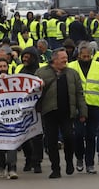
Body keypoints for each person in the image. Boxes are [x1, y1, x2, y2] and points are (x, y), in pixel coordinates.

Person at [35, 47, 88, 179]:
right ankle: (55, 169)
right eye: (63, 58)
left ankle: (69, 162)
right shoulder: (41, 73)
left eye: (66, 58)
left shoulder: (72, 74)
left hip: (67, 113)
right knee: (51, 142)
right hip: (49, 112)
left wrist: (83, 112)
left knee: (69, 138)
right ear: (54, 59)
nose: (66, 60)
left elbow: (79, 94)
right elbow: (34, 92)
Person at [68, 42, 99, 174]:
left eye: (88, 56)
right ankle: (80, 157)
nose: (86, 58)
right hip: (77, 106)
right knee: (79, 134)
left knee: (91, 135)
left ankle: (90, 163)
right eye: (84, 56)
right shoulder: (71, 67)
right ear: (79, 55)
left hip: (94, 106)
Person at [15, 46, 44, 174]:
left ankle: (37, 162)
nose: (25, 59)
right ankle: (28, 159)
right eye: (24, 56)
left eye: (28, 57)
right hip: (24, 108)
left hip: (38, 107)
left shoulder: (40, 71)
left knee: (37, 136)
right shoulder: (21, 70)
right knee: (25, 136)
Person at [0, 58, 19, 180]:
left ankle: (12, 169)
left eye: (4, 66)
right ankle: (1, 169)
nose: (2, 68)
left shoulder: (14, 80)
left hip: (11, 116)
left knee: (12, 143)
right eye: (0, 66)